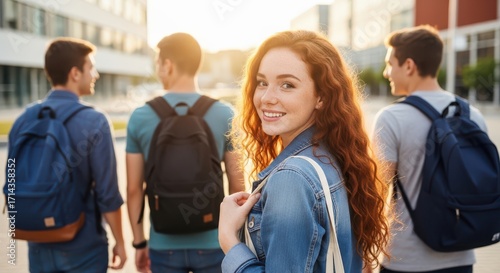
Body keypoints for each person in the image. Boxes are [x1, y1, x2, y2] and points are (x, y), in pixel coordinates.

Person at [218, 30, 391, 272]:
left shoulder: (293, 177)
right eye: (262, 82)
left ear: (321, 96)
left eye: (287, 85)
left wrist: (229, 239)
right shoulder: (335, 155)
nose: (267, 97)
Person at [371, 25, 488, 272]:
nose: (386, 72)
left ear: (409, 66)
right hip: (461, 256)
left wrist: (365, 252)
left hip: (405, 259)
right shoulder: (472, 115)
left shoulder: (391, 118)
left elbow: (377, 193)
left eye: (390, 64)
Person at [126, 32, 245, 273]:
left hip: (163, 244)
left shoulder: (140, 117)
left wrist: (139, 243)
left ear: (168, 65)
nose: (158, 70)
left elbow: (133, 189)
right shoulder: (224, 114)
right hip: (215, 243)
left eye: (158, 64)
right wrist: (237, 241)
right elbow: (237, 184)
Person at [6, 37, 126, 272]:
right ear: (75, 73)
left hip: (38, 244)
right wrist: (120, 242)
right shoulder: (95, 121)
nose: (96, 74)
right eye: (91, 67)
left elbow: (12, 181)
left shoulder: (23, 121)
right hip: (84, 248)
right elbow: (107, 194)